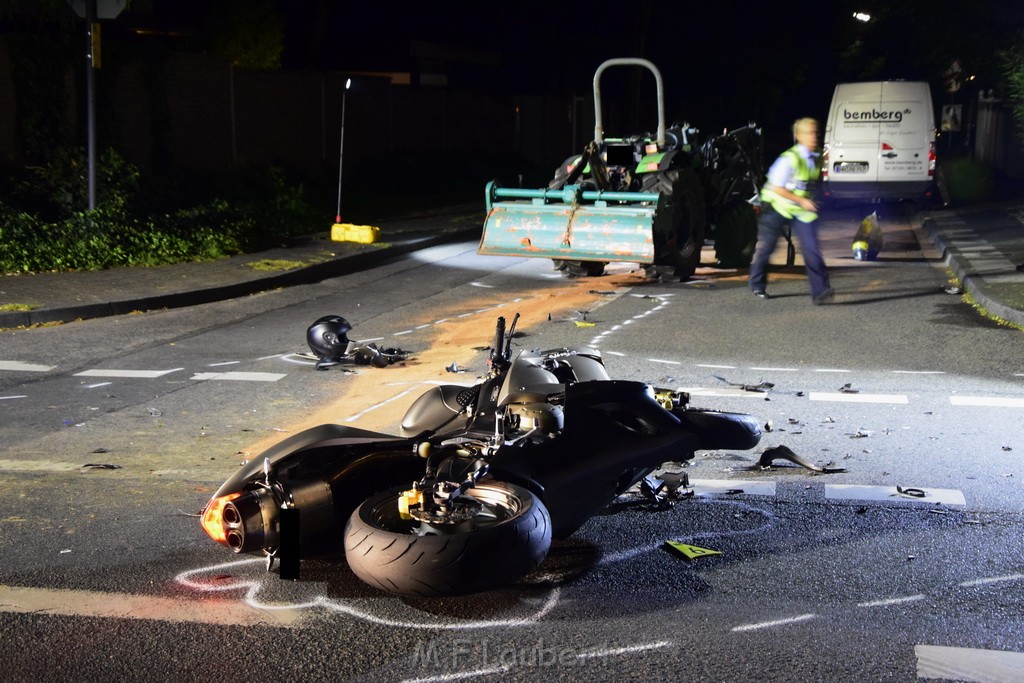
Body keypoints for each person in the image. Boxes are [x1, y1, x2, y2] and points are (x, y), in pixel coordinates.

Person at [748, 117, 834, 304]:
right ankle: (756, 284)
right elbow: (775, 187)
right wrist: (801, 200)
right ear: (798, 136)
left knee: (812, 249)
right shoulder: (789, 159)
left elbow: (814, 183)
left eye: (816, 132)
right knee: (768, 247)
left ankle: (821, 292)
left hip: (802, 210)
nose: (814, 136)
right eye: (809, 133)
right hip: (777, 206)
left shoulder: (818, 156)